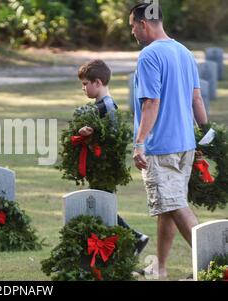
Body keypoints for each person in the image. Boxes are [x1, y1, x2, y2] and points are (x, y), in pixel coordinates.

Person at [129, 3, 207, 278]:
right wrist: (205, 135)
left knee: (174, 205)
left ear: (143, 24)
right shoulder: (183, 51)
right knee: (168, 207)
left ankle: (212, 265)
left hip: (160, 146)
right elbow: (197, 98)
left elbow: (152, 102)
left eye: (132, 26)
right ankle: (160, 269)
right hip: (185, 143)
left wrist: (139, 142)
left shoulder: (149, 55)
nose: (133, 32)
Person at [77, 59, 149, 256]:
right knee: (101, 205)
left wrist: (92, 135)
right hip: (98, 167)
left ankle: (134, 239)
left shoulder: (106, 106)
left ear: (98, 82)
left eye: (85, 84)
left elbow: (111, 138)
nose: (83, 88)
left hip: (105, 167)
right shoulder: (100, 105)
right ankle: (125, 242)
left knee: (102, 205)